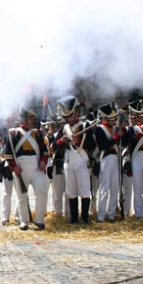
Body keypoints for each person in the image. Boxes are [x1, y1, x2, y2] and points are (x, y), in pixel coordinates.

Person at [3, 109, 49, 230]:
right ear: (24, 119)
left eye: (33, 118)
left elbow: (44, 150)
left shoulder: (38, 133)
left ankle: (39, 220)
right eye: (30, 118)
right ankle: (24, 221)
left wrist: (43, 161)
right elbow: (8, 153)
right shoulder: (13, 133)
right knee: (22, 196)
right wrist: (14, 166)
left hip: (36, 166)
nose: (33, 121)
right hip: (21, 166)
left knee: (41, 192)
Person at [54, 96, 95, 224]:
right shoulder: (63, 129)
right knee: (70, 191)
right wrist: (62, 140)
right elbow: (54, 145)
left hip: (81, 159)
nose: (70, 118)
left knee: (84, 189)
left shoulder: (84, 125)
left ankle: (84, 218)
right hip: (68, 160)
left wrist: (79, 140)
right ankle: (73, 218)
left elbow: (92, 144)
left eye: (71, 115)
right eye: (68, 116)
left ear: (76, 112)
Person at [94, 103, 125, 222]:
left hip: (116, 158)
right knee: (104, 188)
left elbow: (125, 142)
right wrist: (117, 136)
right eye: (112, 119)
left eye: (115, 118)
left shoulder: (116, 129)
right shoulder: (100, 130)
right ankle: (101, 216)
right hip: (106, 159)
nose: (114, 121)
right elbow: (103, 145)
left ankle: (111, 214)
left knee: (115, 188)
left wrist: (123, 131)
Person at [124, 98, 143, 218]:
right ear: (137, 117)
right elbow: (127, 142)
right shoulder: (131, 129)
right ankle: (137, 213)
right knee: (137, 187)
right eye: (142, 116)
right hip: (136, 157)